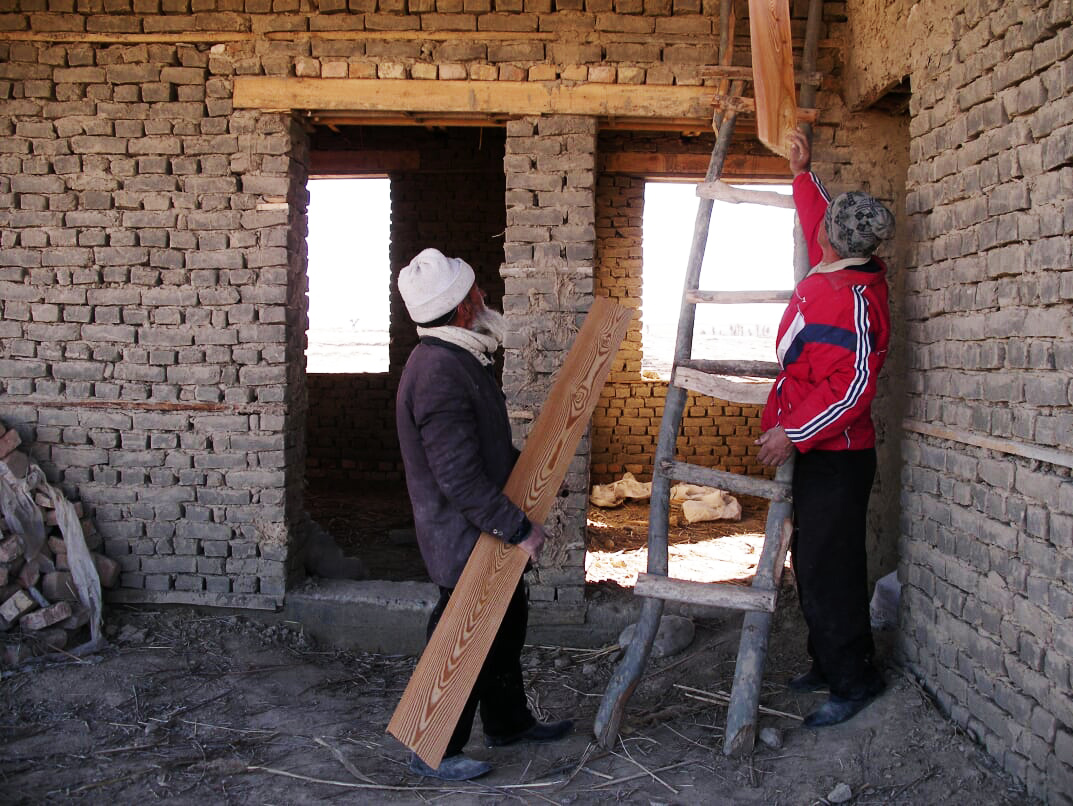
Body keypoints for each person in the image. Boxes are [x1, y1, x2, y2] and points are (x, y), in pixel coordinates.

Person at [395, 247, 573, 780]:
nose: (484, 298)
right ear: (463, 310)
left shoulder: (456, 357)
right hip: (463, 533)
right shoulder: (438, 373)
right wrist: (518, 526)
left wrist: (532, 470)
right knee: (460, 630)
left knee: (505, 622)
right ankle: (435, 746)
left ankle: (508, 722)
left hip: (481, 526)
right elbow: (458, 477)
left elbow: (484, 452)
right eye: (477, 293)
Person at [755, 129, 896, 728]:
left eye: (827, 229)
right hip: (817, 446)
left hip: (836, 452)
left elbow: (853, 389)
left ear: (838, 246)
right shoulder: (837, 261)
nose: (819, 231)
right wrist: (802, 172)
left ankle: (853, 679)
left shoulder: (856, 300)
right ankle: (825, 660)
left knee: (830, 566)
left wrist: (794, 433)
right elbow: (820, 212)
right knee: (809, 559)